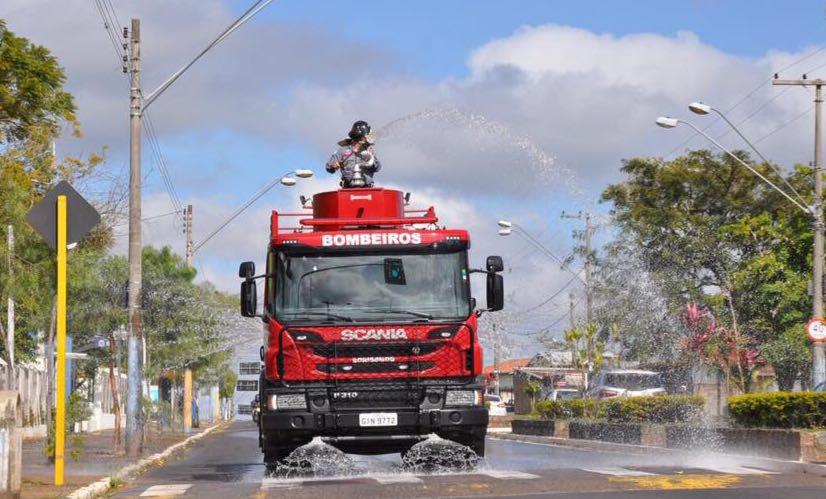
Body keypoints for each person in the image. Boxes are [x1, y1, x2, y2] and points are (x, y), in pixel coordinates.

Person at [326, 120, 382, 188]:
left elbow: (377, 168)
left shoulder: (369, 150)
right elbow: (328, 167)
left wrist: (372, 157)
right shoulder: (342, 151)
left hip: (367, 189)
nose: (367, 139)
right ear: (360, 137)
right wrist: (333, 166)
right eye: (366, 136)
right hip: (347, 190)